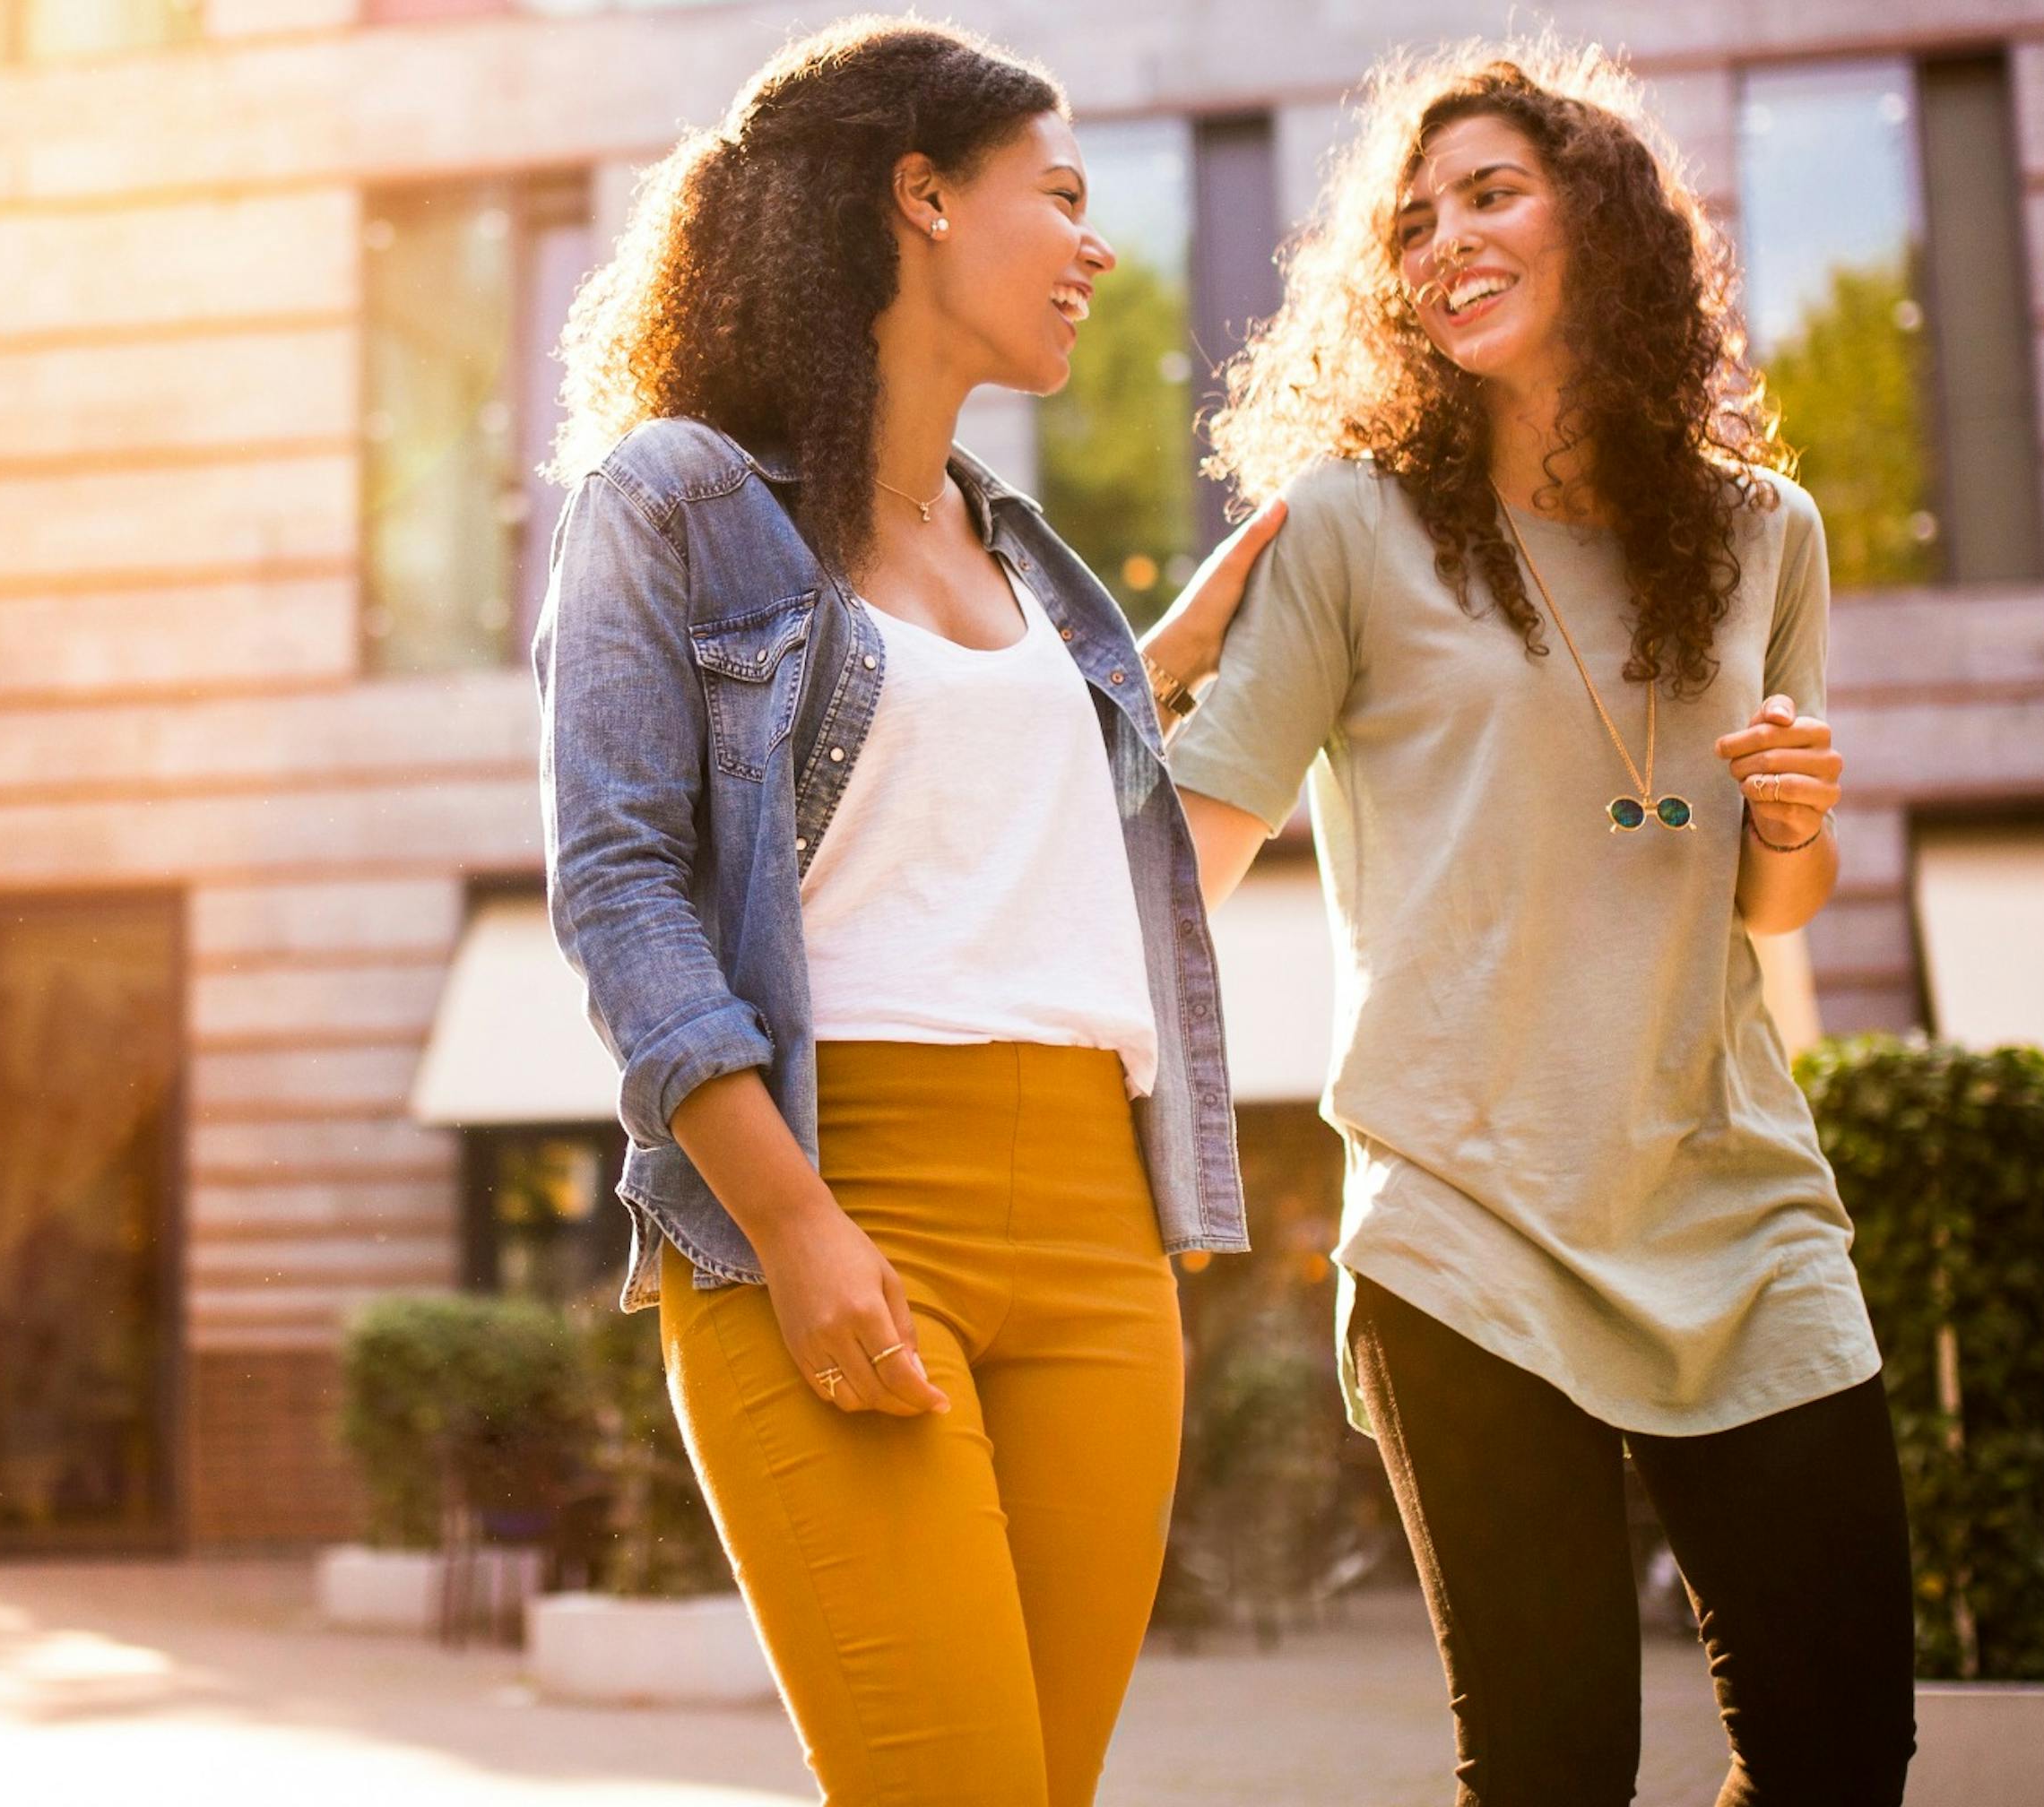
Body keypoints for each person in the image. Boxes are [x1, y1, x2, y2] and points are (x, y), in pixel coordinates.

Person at [1156, 42, 1913, 1806]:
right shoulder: (1349, 530)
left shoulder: (1764, 535)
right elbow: (1186, 854)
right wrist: (1120, 686)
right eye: (1413, 222)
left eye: (1490, 193)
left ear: (1607, 220)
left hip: (1737, 1207)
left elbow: (1768, 897)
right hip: (1464, 1224)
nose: (1443, 242)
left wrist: (1798, 822)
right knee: (1556, 1768)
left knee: (1839, 1753)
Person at [536, 19, 1279, 1803]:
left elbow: (1080, 876)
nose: (1098, 247)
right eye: (1066, 197)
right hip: (836, 1198)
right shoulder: (679, 503)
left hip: (1106, 1242)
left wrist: (1199, 681)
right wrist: (793, 1225)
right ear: (923, 195)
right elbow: (620, 885)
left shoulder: (1040, 567)